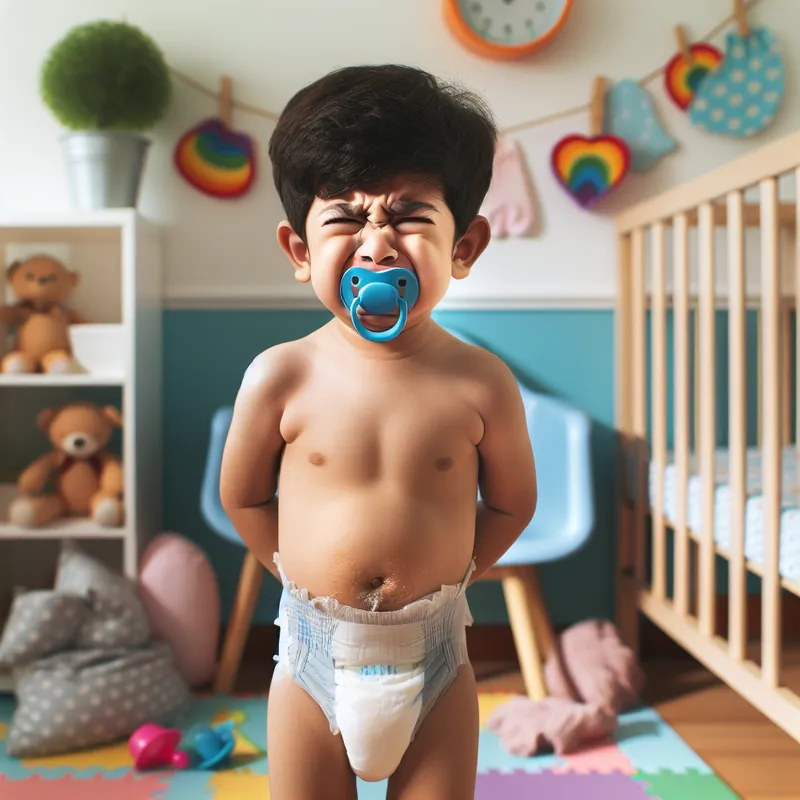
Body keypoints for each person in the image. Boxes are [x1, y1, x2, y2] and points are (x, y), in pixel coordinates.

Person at [220, 63, 537, 800]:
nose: (376, 245)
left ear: (465, 245)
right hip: (311, 658)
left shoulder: (481, 382)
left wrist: (451, 578)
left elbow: (514, 503)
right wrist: (298, 575)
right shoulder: (280, 376)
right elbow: (242, 497)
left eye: (408, 217)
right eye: (343, 218)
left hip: (436, 657)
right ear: (300, 251)